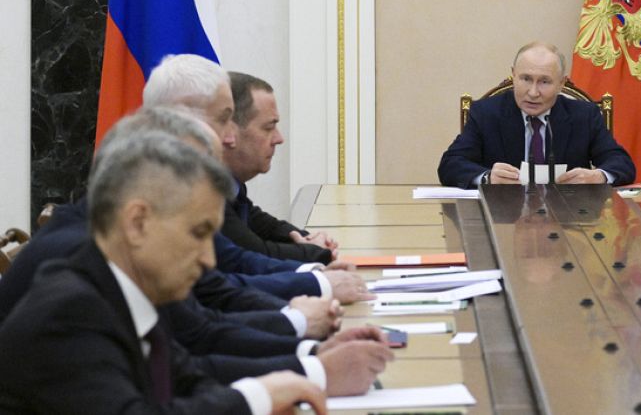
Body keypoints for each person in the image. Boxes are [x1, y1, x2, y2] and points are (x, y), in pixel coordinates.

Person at [0, 107, 392, 394]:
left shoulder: (120, 262)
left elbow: (184, 368)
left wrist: (311, 358)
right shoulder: (76, 286)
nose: (208, 257)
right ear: (138, 216)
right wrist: (308, 367)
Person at [143, 54, 371, 304]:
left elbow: (234, 258)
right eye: (223, 119)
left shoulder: (190, 182)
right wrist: (317, 280)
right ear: (181, 120)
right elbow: (219, 285)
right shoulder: (164, 191)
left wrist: (313, 267)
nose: (229, 138)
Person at [438, 41, 636, 188]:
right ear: (513, 75)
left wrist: (599, 176)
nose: (533, 93)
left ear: (561, 84)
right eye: (525, 79)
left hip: (568, 220)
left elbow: (622, 163)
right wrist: (487, 177)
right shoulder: (485, 113)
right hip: (504, 219)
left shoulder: (584, 116)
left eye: (544, 82)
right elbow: (450, 164)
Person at [224, 71, 337, 263]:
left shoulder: (232, 185)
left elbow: (259, 223)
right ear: (229, 130)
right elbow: (253, 253)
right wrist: (315, 251)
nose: (279, 139)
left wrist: (307, 239)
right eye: (269, 128)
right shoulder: (200, 190)